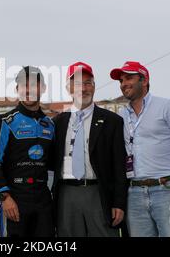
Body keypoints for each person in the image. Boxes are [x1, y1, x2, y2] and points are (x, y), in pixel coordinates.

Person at [110, 61, 170, 237]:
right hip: (134, 193)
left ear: (144, 81)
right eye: (121, 80)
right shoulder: (121, 115)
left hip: (167, 190)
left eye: (129, 78)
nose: (123, 84)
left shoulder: (167, 106)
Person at [51, 62, 127, 237]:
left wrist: (119, 203)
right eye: (77, 84)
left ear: (93, 87)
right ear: (68, 88)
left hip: (98, 193)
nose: (83, 89)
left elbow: (119, 166)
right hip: (66, 194)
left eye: (87, 83)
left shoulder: (112, 121)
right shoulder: (58, 123)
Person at [0, 66, 55, 237]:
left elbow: (54, 165)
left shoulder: (51, 124)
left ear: (43, 89)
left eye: (33, 85)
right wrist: (5, 197)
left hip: (43, 200)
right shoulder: (5, 122)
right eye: (23, 85)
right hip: (15, 198)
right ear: (18, 89)